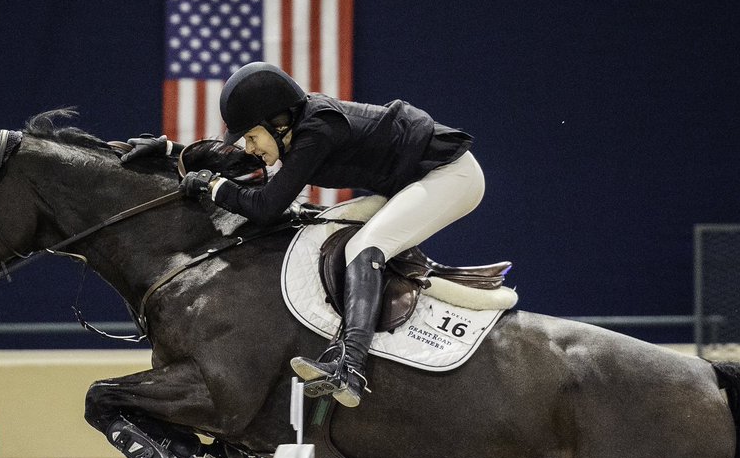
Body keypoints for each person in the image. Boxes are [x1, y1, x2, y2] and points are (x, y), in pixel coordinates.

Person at [126, 63, 483, 410]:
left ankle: (351, 366)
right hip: (415, 181)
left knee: (364, 248)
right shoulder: (298, 129)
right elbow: (240, 162)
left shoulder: (318, 129)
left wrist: (214, 186)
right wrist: (171, 152)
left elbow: (266, 206)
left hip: (450, 177)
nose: (248, 147)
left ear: (277, 122)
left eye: (251, 136)